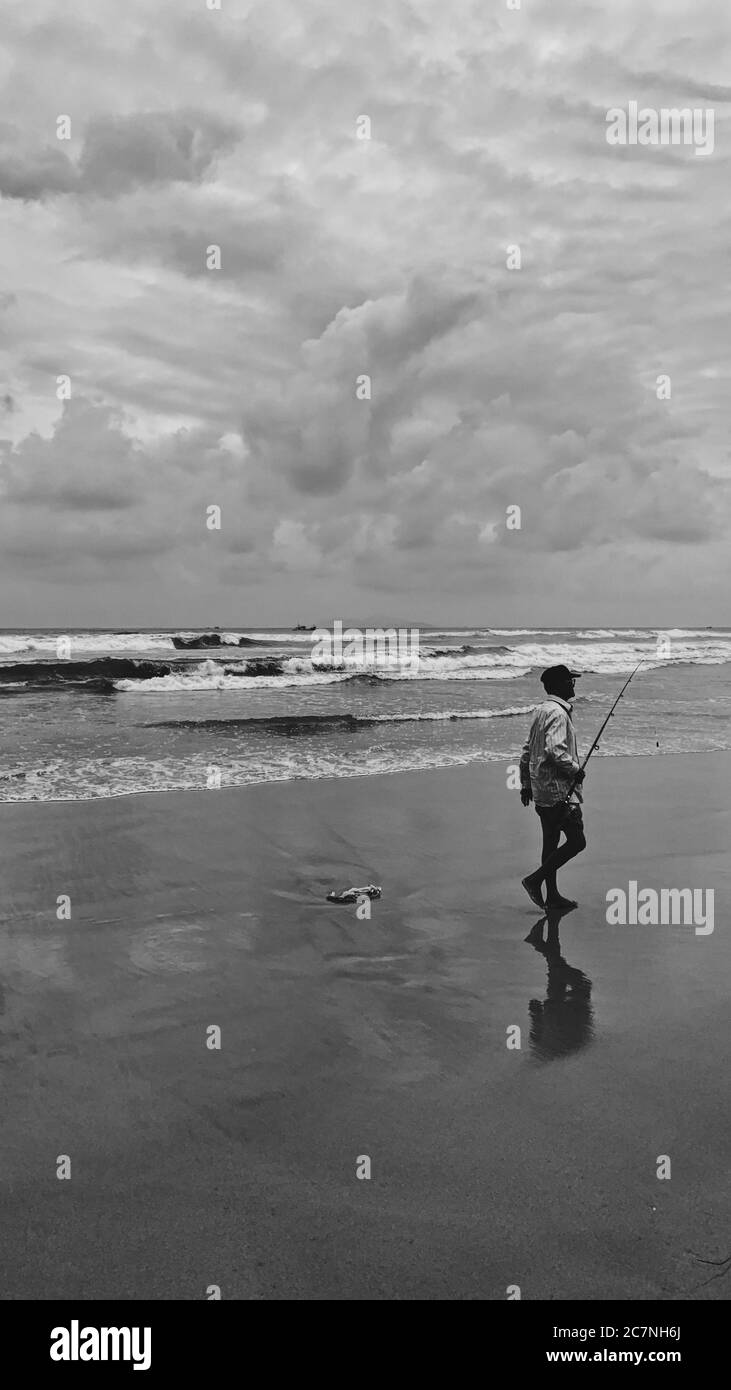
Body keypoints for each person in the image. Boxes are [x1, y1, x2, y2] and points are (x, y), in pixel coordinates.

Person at [519, 664, 587, 909]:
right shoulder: (558, 714)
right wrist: (576, 770)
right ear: (559, 685)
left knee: (550, 842)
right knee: (577, 841)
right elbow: (555, 751)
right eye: (570, 681)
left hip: (541, 789)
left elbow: (528, 750)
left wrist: (526, 784)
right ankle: (534, 881)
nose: (573, 684)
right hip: (559, 791)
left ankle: (553, 896)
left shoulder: (540, 711)